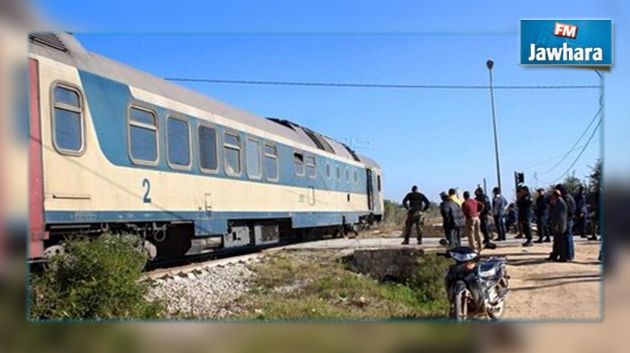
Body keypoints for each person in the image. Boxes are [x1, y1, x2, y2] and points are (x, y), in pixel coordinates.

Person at [556, 184, 576, 261]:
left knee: (566, 237)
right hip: (569, 219)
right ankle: (570, 255)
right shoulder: (569, 197)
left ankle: (567, 255)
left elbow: (567, 210)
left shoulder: (565, 198)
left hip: (567, 219)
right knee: (568, 237)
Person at [548, 190, 569, 262]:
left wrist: (556, 224)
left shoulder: (561, 203)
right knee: (556, 242)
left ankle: (563, 257)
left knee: (561, 242)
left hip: (560, 225)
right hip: (557, 225)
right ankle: (555, 255)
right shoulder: (557, 203)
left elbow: (560, 216)